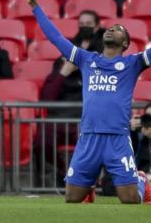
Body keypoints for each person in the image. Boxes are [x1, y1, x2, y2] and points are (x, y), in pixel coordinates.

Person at [23, 0, 151, 204]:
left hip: (117, 138)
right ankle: (89, 188)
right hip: (89, 137)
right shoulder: (85, 59)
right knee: (71, 199)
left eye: (119, 29)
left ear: (125, 43)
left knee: (130, 200)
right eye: (110, 28)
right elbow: (55, 37)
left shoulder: (132, 63)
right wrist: (34, 5)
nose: (112, 30)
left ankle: (141, 182)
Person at [38, 10, 105, 186]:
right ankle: (64, 171)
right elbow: (47, 97)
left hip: (87, 116)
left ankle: (88, 180)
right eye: (81, 24)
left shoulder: (102, 56)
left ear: (97, 26)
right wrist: (63, 73)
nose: (84, 27)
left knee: (92, 144)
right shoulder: (66, 53)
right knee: (40, 141)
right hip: (60, 118)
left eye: (88, 24)